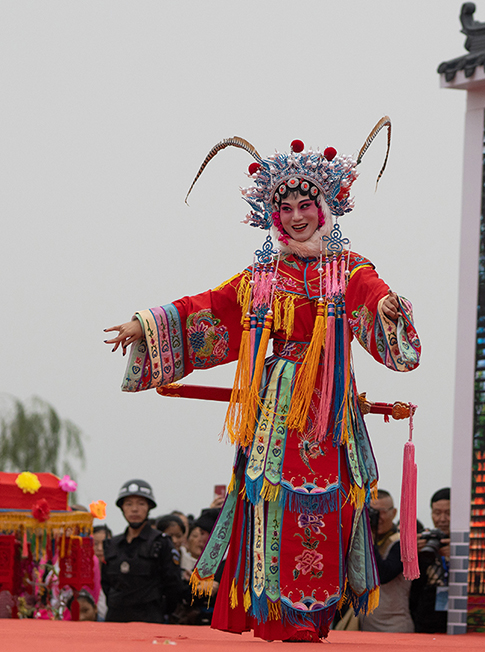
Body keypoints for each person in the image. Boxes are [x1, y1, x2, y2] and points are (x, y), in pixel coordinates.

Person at [104, 119, 421, 642]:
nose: (296, 218)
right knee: (270, 499)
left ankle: (311, 616)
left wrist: (387, 306)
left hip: (326, 404)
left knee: (326, 504)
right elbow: (207, 308)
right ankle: (272, 614)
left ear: (324, 209)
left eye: (306, 206)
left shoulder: (348, 268)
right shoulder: (262, 277)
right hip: (276, 406)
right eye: (286, 208)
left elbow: (372, 293)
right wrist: (147, 323)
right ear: (274, 215)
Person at [101, 479, 183, 623]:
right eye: (129, 504)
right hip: (115, 620)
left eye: (141, 503)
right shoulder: (112, 544)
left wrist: (159, 610)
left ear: (149, 508)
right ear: (122, 508)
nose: (134, 509)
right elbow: (106, 583)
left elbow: (173, 585)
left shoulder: (161, 543)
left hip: (149, 619)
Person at [360, 489, 413, 632]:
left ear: (394, 513)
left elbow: (383, 574)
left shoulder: (402, 542)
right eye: (372, 512)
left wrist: (368, 539)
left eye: (382, 512)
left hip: (394, 625)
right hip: (365, 624)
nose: (377, 517)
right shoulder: (362, 541)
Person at [411, 488, 451, 633]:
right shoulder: (425, 540)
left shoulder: (469, 544)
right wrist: (412, 555)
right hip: (426, 618)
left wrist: (458, 556)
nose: (442, 519)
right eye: (437, 513)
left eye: (448, 513)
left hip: (457, 616)